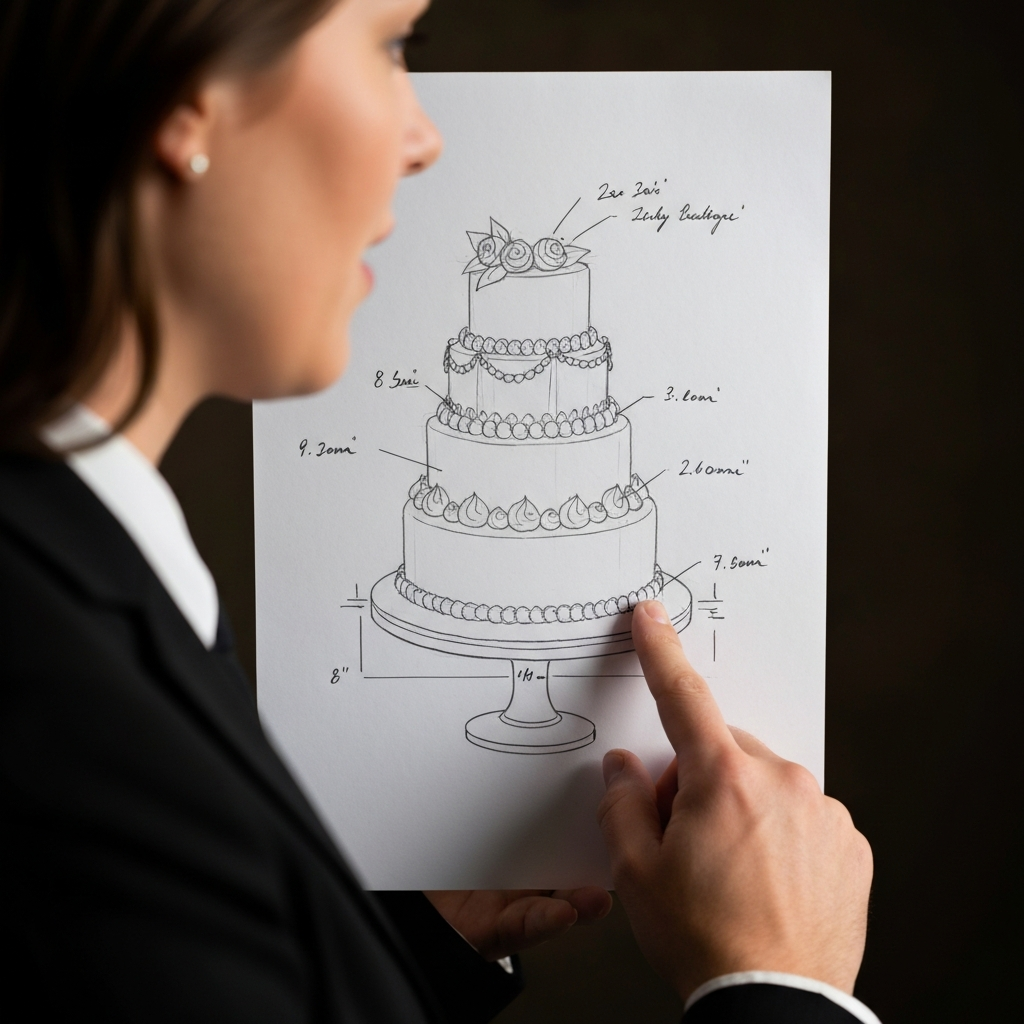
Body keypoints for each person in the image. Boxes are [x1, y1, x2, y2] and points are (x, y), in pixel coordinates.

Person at [0, 0, 876, 1021]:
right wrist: (778, 983)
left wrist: (387, 954)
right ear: (188, 105)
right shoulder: (45, 677)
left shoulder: (84, 577)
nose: (423, 138)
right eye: (388, 44)